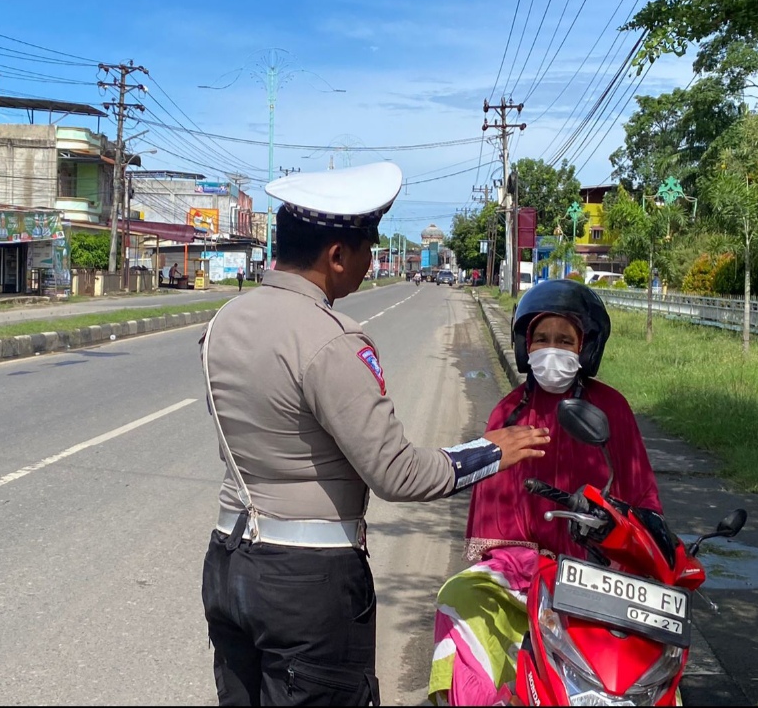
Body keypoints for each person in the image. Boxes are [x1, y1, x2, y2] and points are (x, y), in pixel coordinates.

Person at [199, 161, 551, 707]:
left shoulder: (224, 321)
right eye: (367, 247)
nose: (369, 261)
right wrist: (491, 451)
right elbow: (398, 474)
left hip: (227, 566)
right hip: (307, 583)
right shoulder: (332, 339)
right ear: (337, 255)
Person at [428, 279, 662, 706]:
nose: (551, 349)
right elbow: (491, 521)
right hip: (522, 569)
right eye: (542, 338)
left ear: (584, 349)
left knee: (657, 647)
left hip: (600, 572)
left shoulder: (612, 409)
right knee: (459, 595)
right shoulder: (508, 411)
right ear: (526, 346)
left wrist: (617, 530)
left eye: (564, 340)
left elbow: (640, 497)